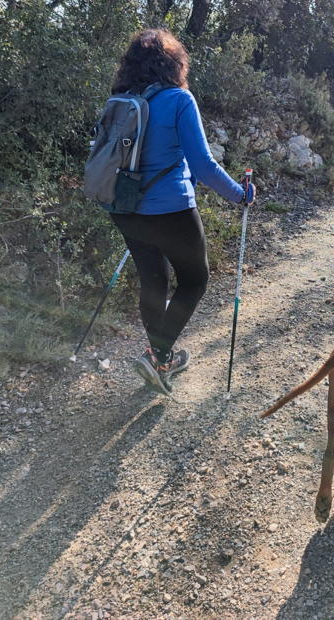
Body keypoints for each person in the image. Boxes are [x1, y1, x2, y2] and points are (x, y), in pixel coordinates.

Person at [109, 28, 255, 395]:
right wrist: (240, 195)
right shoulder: (178, 99)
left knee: (153, 282)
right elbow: (203, 166)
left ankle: (159, 356)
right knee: (195, 279)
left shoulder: (121, 100)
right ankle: (159, 356)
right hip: (170, 209)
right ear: (174, 63)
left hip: (124, 208)